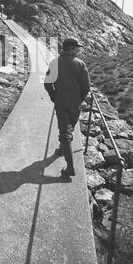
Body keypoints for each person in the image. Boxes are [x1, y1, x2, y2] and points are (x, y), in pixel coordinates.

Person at [44, 37, 90, 177]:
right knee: (69, 129)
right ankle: (64, 153)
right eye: (77, 47)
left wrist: (54, 96)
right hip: (75, 104)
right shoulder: (81, 64)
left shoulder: (54, 63)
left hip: (61, 103)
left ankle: (69, 167)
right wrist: (79, 99)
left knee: (65, 133)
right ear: (70, 48)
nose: (79, 50)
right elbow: (86, 87)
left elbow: (47, 83)